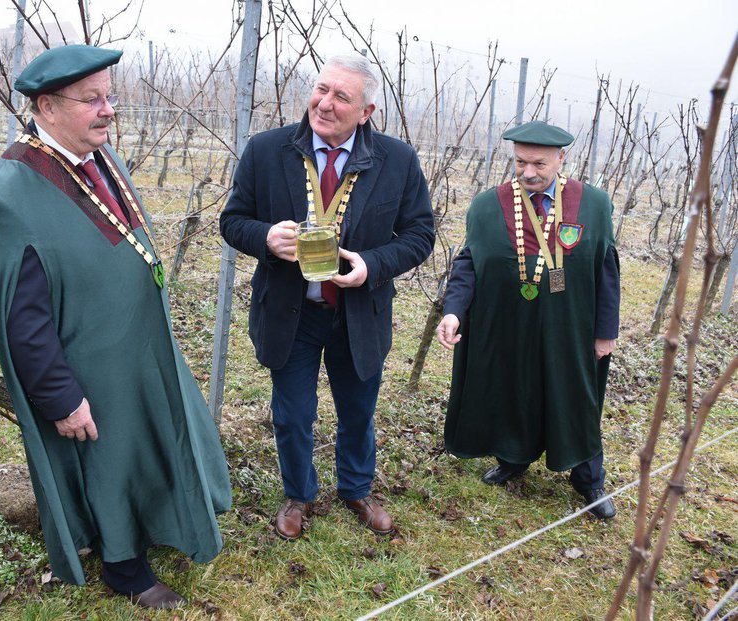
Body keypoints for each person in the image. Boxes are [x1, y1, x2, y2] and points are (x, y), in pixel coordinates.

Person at [0, 45, 231, 608]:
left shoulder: (95, 156)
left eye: (109, 95)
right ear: (46, 105)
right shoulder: (7, 194)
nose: (108, 109)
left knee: (151, 442)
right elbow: (22, 319)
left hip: (138, 347)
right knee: (108, 461)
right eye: (92, 99)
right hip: (89, 366)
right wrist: (62, 398)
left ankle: (165, 522)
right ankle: (124, 566)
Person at [220, 54, 435, 539]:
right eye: (322, 89)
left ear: (366, 112)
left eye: (342, 96)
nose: (325, 103)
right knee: (293, 413)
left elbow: (421, 233)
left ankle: (356, 488)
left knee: (357, 410)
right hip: (290, 312)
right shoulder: (266, 149)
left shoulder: (396, 161)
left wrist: (373, 266)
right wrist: (265, 238)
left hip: (360, 312)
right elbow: (233, 220)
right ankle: (298, 493)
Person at [437, 120, 620, 519]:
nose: (529, 173)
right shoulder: (489, 204)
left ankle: (588, 478)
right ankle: (513, 457)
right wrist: (453, 310)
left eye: (539, 163)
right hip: (508, 324)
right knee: (512, 386)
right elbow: (469, 262)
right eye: (520, 162)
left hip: (570, 326)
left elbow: (607, 266)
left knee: (576, 395)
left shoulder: (593, 203)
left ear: (562, 158)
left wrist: (606, 331)